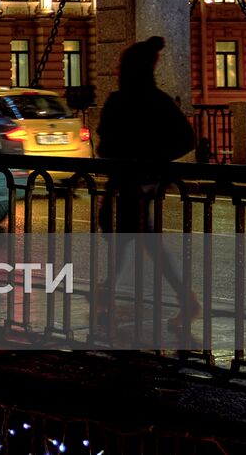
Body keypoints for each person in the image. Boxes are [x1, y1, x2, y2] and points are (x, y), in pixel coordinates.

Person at [93, 36, 200, 331]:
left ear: (127, 70)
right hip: (149, 181)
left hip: (126, 181)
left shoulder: (118, 101)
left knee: (132, 236)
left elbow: (105, 145)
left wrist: (129, 156)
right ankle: (108, 291)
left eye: (120, 66)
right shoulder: (160, 101)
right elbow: (186, 139)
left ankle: (109, 293)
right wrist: (157, 160)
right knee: (133, 235)